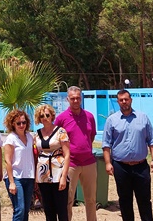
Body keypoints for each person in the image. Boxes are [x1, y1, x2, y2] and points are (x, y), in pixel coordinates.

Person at [101, 89, 153, 221]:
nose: (124, 102)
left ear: (131, 100)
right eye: (121, 100)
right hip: (121, 167)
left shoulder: (142, 117)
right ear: (118, 102)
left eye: (126, 99)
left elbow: (152, 140)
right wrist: (108, 163)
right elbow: (106, 144)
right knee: (125, 201)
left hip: (141, 166)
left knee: (144, 200)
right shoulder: (112, 120)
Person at [54, 86, 97, 221]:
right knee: (68, 199)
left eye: (78, 98)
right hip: (70, 164)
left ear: (81, 98)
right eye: (72, 98)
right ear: (68, 99)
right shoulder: (61, 119)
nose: (75, 100)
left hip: (89, 163)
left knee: (90, 199)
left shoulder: (89, 116)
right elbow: (56, 139)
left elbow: (91, 136)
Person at [34, 104, 70, 221]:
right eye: (41, 116)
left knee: (61, 209)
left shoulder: (61, 131)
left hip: (58, 174)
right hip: (43, 175)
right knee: (48, 210)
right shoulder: (37, 134)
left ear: (52, 116)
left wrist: (64, 177)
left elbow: (67, 154)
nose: (44, 117)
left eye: (47, 115)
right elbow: (36, 154)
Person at [3, 109, 36, 221]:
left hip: (29, 177)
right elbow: (7, 161)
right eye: (18, 123)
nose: (21, 125)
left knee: (26, 210)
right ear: (13, 123)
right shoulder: (11, 138)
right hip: (16, 178)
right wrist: (11, 182)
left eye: (24, 122)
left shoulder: (30, 137)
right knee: (20, 209)